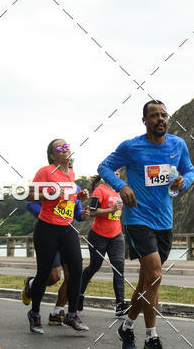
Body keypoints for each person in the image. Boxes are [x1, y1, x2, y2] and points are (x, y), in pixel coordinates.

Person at [98, 101, 194, 349]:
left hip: (164, 222)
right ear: (145, 120)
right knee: (154, 275)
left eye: (164, 115)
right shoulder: (132, 147)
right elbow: (104, 167)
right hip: (137, 219)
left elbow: (190, 170)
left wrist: (183, 181)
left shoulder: (178, 145)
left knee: (146, 282)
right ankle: (152, 338)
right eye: (154, 115)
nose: (160, 119)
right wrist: (121, 186)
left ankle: (127, 326)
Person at [26, 139, 90, 334]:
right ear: (53, 156)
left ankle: (71, 315)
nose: (66, 150)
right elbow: (29, 195)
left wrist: (78, 197)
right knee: (45, 273)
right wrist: (50, 193)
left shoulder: (71, 173)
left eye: (67, 147)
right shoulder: (45, 171)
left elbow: (66, 199)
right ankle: (35, 313)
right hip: (47, 228)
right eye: (60, 148)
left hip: (67, 228)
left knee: (77, 270)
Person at [21, 196, 89, 325]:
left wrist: (83, 215)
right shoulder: (50, 183)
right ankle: (32, 283)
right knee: (54, 276)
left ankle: (57, 312)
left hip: (68, 235)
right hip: (50, 233)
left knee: (72, 274)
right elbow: (30, 203)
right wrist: (50, 215)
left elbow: (77, 214)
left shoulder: (74, 187)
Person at [78, 174, 127, 317]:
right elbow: (92, 212)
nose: (116, 174)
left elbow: (120, 212)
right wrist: (110, 210)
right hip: (98, 236)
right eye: (113, 171)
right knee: (94, 266)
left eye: (118, 172)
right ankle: (79, 294)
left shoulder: (119, 190)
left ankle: (120, 304)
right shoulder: (100, 190)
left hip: (116, 235)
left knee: (119, 268)